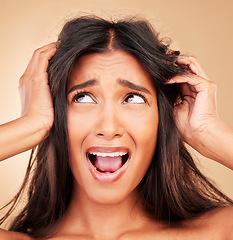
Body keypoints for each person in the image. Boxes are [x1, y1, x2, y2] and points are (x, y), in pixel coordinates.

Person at [0, 15, 233, 240]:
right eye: (82, 97)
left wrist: (208, 131)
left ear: (162, 117)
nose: (109, 128)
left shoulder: (220, 232)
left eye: (133, 98)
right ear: (56, 114)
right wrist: (31, 125)